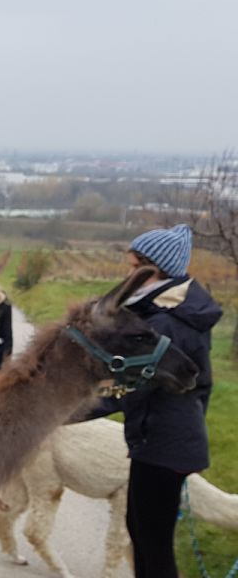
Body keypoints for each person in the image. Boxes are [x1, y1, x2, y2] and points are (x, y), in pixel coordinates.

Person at [87, 224, 222, 578]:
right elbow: (200, 387)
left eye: (133, 268)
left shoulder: (166, 325)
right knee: (141, 531)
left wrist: (59, 413)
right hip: (162, 441)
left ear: (153, 271)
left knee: (154, 543)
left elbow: (127, 387)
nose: (127, 275)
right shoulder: (167, 313)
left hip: (165, 446)